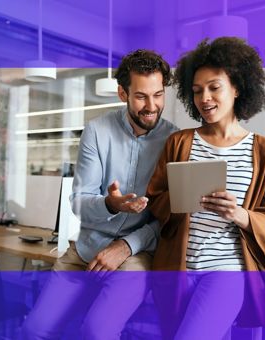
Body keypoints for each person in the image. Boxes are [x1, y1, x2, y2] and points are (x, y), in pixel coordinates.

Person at [22, 49, 178, 339]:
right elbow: (79, 201)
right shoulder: (96, 131)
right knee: (35, 328)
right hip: (85, 250)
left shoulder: (175, 140)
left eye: (158, 95)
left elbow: (171, 218)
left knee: (97, 331)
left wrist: (127, 245)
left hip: (136, 254)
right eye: (142, 96)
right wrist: (110, 204)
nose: (152, 105)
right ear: (123, 94)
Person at [146, 37, 265, 339]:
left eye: (214, 87)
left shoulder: (264, 151)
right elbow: (154, 200)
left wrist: (241, 215)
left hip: (227, 270)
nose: (204, 98)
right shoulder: (179, 142)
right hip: (178, 269)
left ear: (237, 88)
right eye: (197, 91)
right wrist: (179, 199)